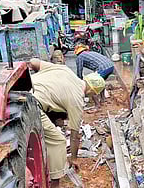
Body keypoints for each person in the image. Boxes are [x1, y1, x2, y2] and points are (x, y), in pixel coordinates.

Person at [27, 58, 105, 187]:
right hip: (33, 105)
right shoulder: (77, 100)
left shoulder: (64, 69)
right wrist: (74, 158)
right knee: (58, 140)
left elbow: (34, 62)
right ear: (91, 92)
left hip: (23, 92)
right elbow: (74, 136)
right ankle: (55, 181)